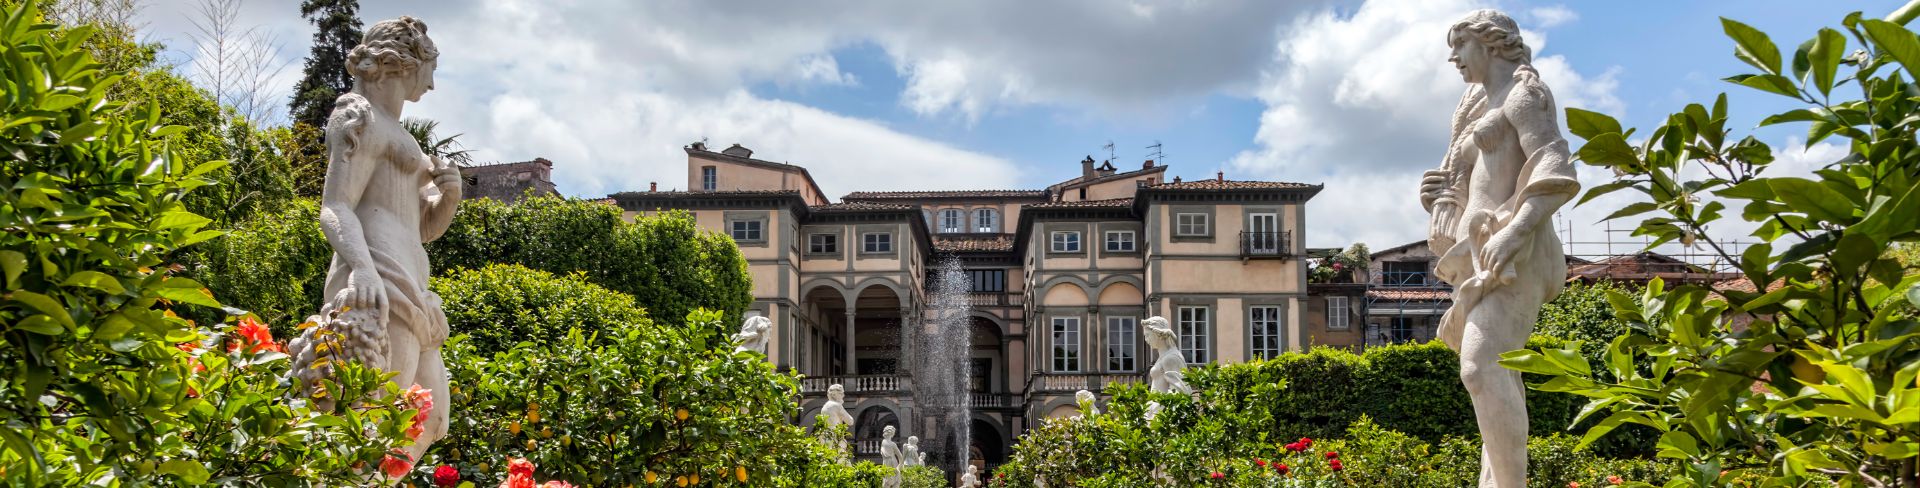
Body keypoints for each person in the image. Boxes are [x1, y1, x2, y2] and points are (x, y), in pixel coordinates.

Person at [1420, 9, 1579, 487]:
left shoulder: (1523, 94)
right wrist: (1439, 197)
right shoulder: (1479, 105)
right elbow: (1484, 181)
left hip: (1512, 254)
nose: (1453, 57)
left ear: (1490, 44)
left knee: (1481, 367)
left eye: (1460, 45)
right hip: (1479, 255)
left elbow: (1555, 165)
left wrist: (1514, 233)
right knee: (1494, 372)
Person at [287, 16, 456, 465]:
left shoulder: (406, 139)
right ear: (400, 64)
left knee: (431, 417)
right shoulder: (358, 115)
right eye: (430, 68)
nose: (432, 84)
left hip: (414, 281)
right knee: (378, 415)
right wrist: (360, 266)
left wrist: (449, 196)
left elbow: (423, 229)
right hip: (377, 275)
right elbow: (335, 206)